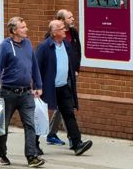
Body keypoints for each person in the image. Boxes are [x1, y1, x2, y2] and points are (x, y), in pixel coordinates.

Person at [0, 17, 45, 167]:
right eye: (22, 27)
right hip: (8, 93)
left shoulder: (28, 44)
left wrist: (38, 85)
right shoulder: (6, 46)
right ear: (14, 31)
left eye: (25, 26)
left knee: (30, 125)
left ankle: (31, 157)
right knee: (3, 126)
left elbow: (34, 67)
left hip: (26, 93)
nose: (26, 29)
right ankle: (2, 155)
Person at [36, 20, 93, 157]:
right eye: (62, 29)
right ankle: (34, 144)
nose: (64, 31)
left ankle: (77, 143)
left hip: (63, 86)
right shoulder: (44, 47)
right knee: (40, 115)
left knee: (69, 114)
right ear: (54, 32)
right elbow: (36, 68)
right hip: (48, 87)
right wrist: (37, 87)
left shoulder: (66, 45)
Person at [44, 10, 82, 146]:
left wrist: (76, 69)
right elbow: (45, 61)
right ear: (61, 20)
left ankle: (58, 135)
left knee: (66, 107)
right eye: (69, 17)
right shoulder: (48, 41)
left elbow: (77, 51)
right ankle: (72, 138)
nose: (73, 19)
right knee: (66, 107)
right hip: (55, 80)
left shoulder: (72, 34)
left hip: (69, 76)